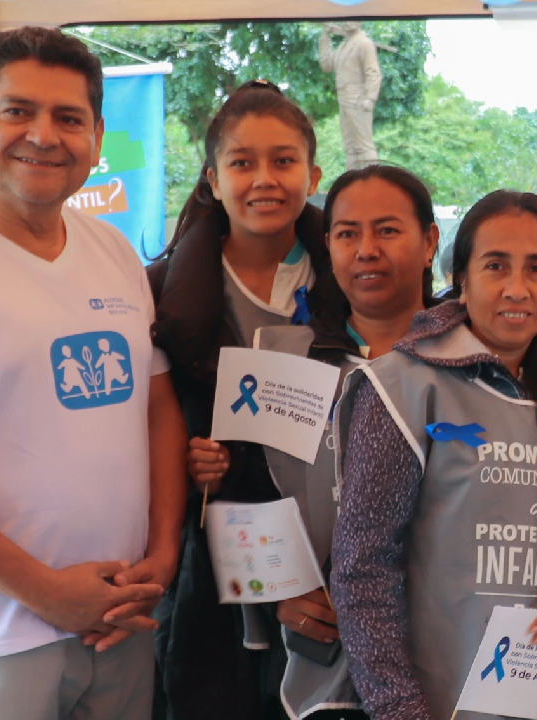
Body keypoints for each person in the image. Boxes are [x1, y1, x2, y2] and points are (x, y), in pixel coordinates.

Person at [0, 27, 187, 720]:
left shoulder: (111, 248)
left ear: (97, 136)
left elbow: (157, 407)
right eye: (18, 111)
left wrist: (163, 554)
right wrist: (44, 590)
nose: (43, 135)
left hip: (121, 625)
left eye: (68, 117)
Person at [331, 191, 537, 720]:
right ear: (461, 279)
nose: (516, 288)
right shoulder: (401, 386)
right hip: (438, 697)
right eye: (495, 266)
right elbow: (362, 567)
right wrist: (398, 708)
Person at [147, 80, 344, 720]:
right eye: (242, 162)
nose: (265, 179)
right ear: (212, 178)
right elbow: (143, 427)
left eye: (284, 161)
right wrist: (184, 455)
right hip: (215, 575)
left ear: (313, 173)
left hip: (338, 563)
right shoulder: (160, 293)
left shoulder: (353, 279)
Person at [242, 165, 439, 720]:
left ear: (430, 241)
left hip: (447, 656)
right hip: (319, 669)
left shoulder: (471, 363)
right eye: (348, 233)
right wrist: (274, 590)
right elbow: (244, 499)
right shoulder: (282, 362)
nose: (367, 249)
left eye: (388, 230)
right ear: (327, 245)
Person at [318, 22, 381, 170]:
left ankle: (374, 180)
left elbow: (373, 73)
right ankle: (351, 181)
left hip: (358, 98)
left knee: (364, 145)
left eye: (351, 18)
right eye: (345, 19)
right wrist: (325, 37)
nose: (346, 22)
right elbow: (327, 65)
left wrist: (370, 98)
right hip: (343, 97)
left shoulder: (364, 44)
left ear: (360, 21)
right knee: (350, 147)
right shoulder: (343, 46)